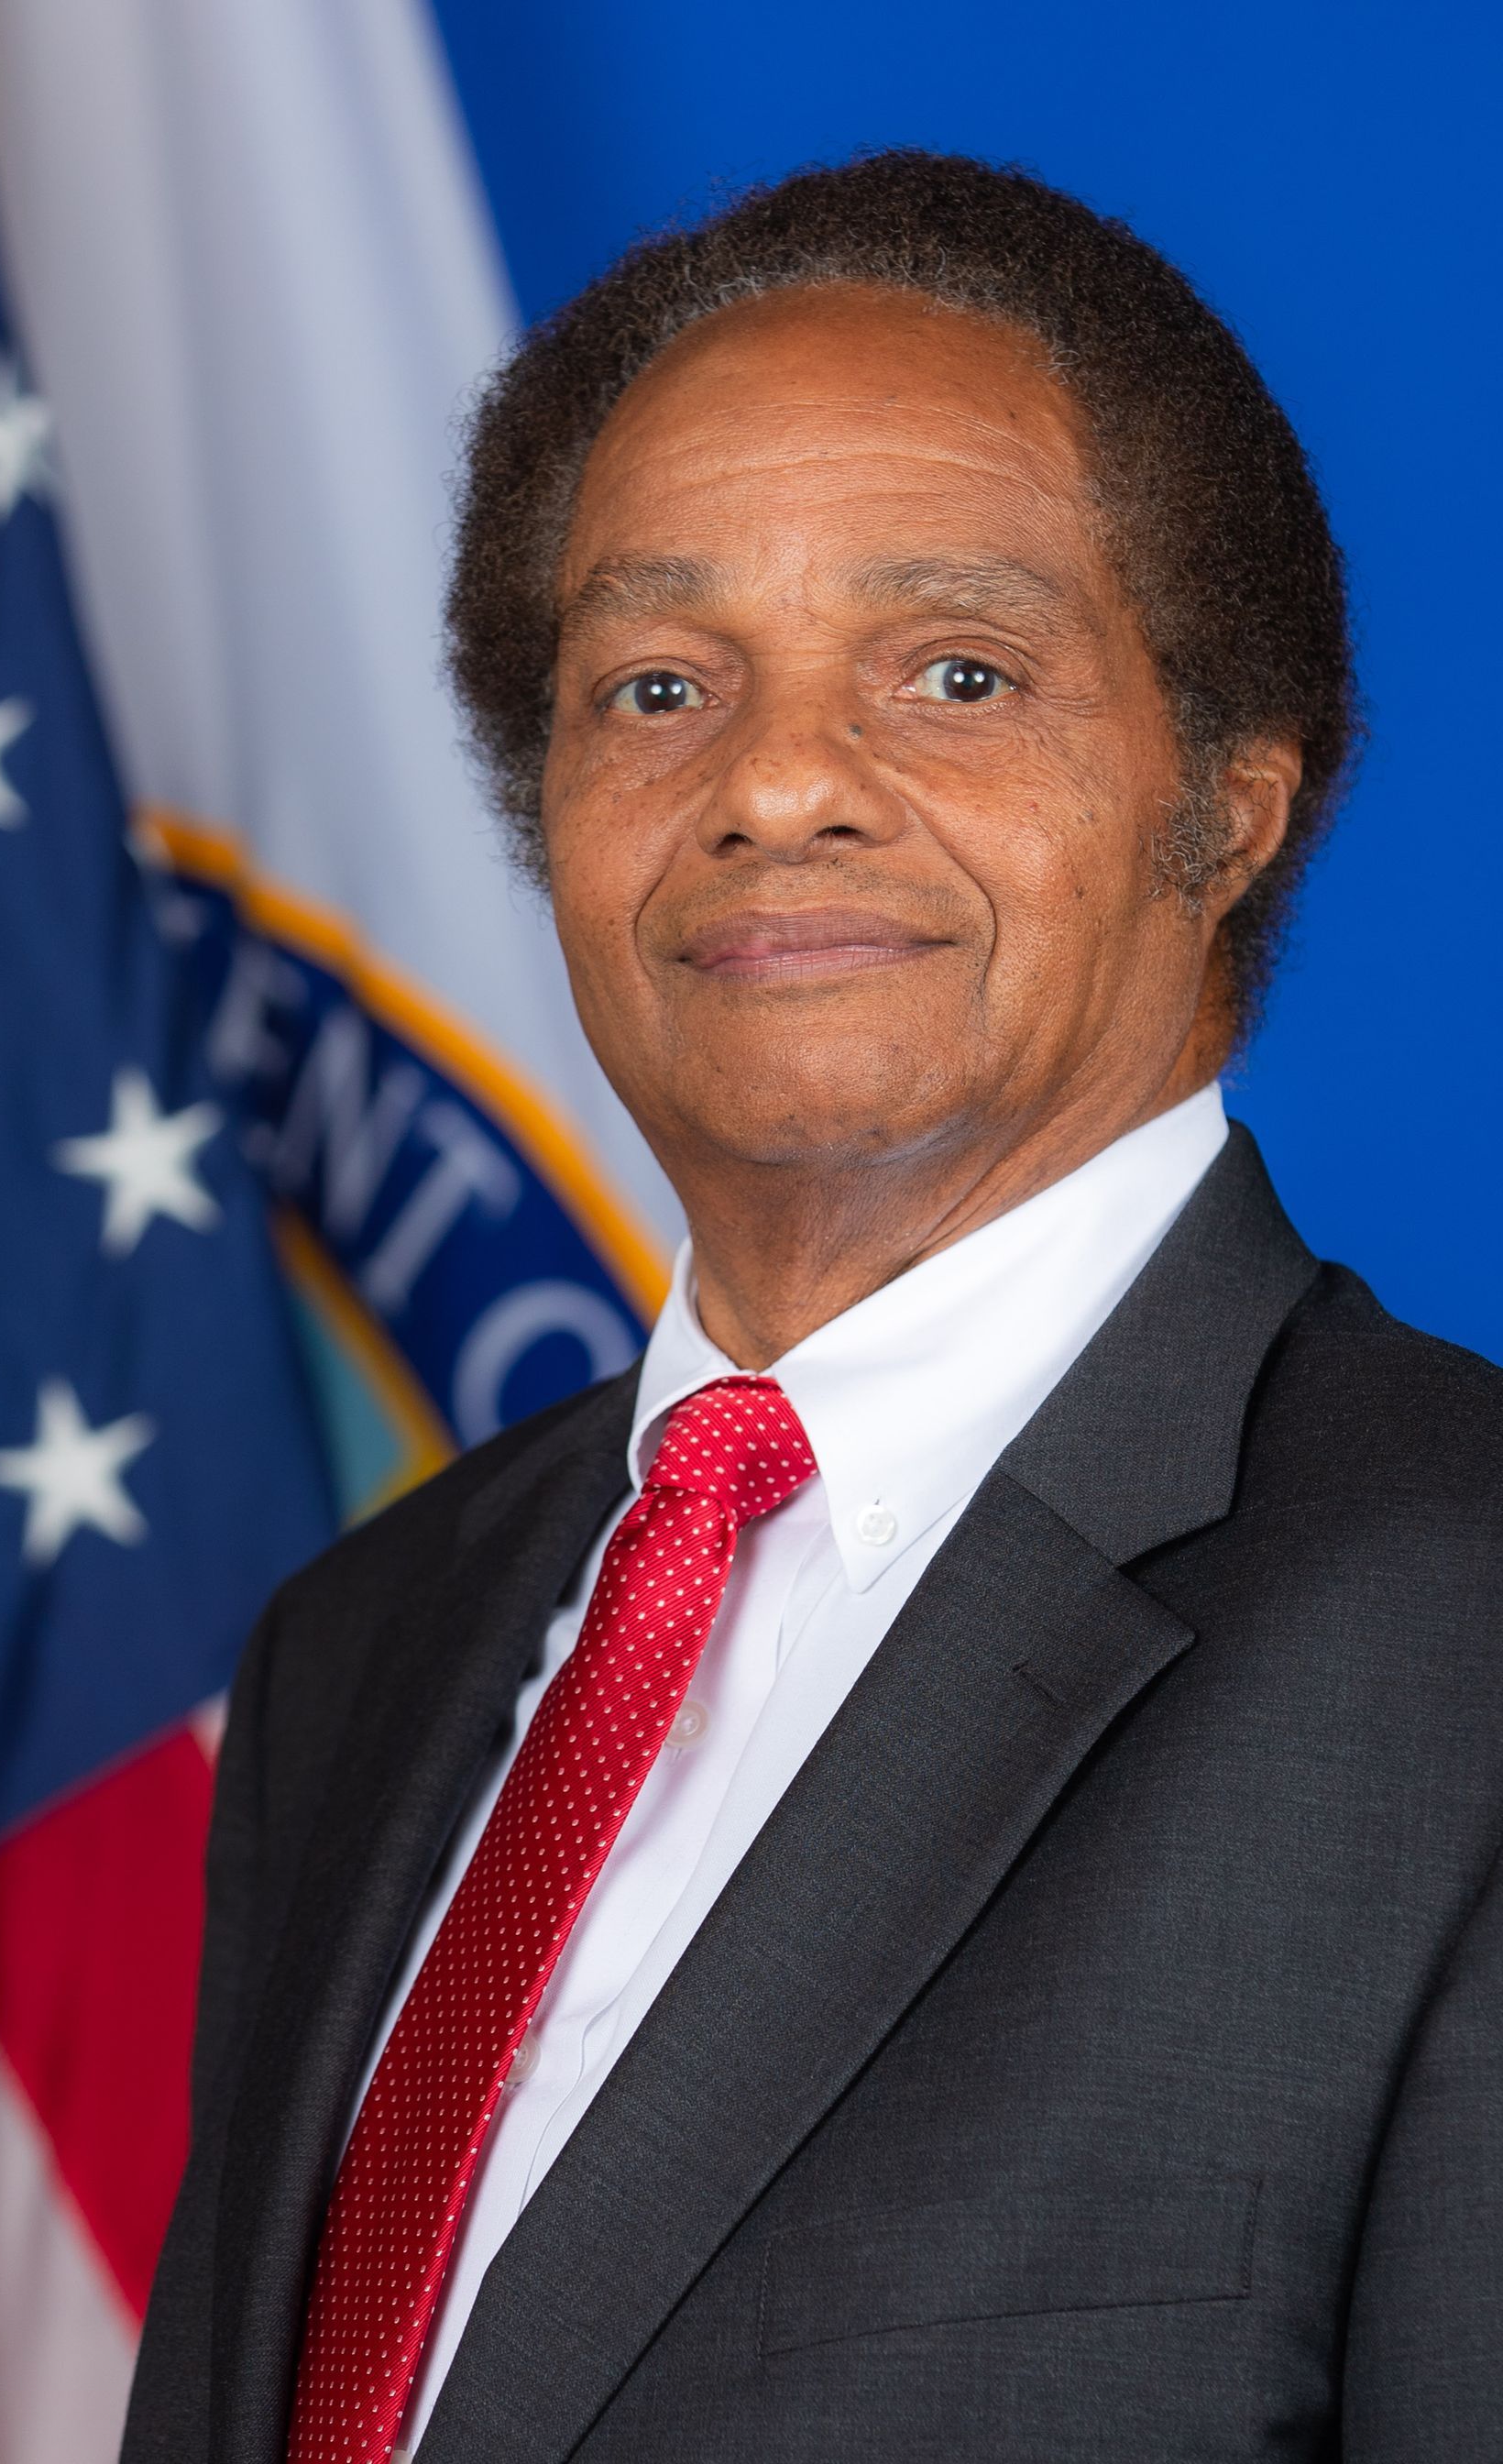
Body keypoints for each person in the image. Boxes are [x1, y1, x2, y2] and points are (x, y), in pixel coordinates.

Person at [124, 153, 1502, 2463]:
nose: (770, 784)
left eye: (955, 672)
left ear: (1230, 803)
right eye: (656, 685)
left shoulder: (1461, 1637)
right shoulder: (365, 1647)